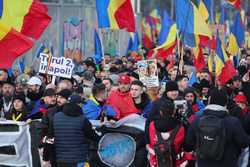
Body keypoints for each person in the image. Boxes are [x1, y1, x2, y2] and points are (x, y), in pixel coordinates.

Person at [185, 89, 250, 167]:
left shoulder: (197, 120)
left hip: (203, 164)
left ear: (209, 102)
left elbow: (188, 145)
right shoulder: (233, 122)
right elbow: (244, 143)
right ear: (226, 103)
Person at [52, 95, 101, 167]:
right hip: (78, 159)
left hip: (61, 160)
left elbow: (50, 137)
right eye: (81, 104)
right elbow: (92, 136)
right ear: (78, 104)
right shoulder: (82, 119)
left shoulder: (56, 116)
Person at [146, 101, 187, 167]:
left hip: (156, 162)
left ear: (160, 112)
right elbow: (186, 145)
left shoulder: (152, 125)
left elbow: (150, 141)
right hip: (176, 162)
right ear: (174, 112)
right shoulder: (181, 127)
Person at [41, 89, 72, 167]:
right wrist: (45, 157)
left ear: (68, 99)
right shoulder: (50, 112)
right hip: (54, 151)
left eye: (62, 98)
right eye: (58, 97)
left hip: (70, 152)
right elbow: (45, 134)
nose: (58, 99)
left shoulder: (76, 113)